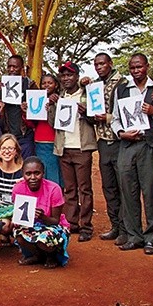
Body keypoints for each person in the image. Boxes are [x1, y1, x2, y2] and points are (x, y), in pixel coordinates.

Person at [111, 53, 153, 255]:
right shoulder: (122, 89)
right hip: (126, 145)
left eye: (139, 67)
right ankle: (134, 236)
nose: (136, 71)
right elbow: (115, 118)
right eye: (132, 68)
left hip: (148, 144)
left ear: (147, 66)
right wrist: (122, 133)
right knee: (128, 190)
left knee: (152, 190)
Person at [48, 61, 97, 242]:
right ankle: (71, 223)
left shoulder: (87, 94)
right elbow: (53, 123)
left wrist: (86, 113)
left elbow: (96, 118)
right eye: (63, 75)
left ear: (77, 76)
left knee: (84, 188)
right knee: (69, 189)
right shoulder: (59, 96)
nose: (66, 78)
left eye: (69, 75)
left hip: (82, 147)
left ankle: (86, 226)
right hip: (64, 147)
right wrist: (51, 105)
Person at [91, 53, 127, 245]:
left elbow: (129, 112)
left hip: (120, 140)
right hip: (103, 141)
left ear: (110, 64)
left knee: (124, 186)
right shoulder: (94, 86)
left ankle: (126, 227)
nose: (99, 67)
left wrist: (106, 118)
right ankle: (115, 225)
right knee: (109, 186)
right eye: (96, 64)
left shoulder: (122, 83)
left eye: (102, 63)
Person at [12, 157, 70, 268]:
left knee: (43, 239)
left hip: (52, 225)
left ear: (43, 173)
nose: (33, 177)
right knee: (19, 236)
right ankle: (37, 256)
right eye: (28, 174)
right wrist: (16, 222)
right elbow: (18, 215)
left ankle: (51, 255)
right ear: (23, 174)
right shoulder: (18, 189)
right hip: (31, 225)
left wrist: (42, 217)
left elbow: (56, 221)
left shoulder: (54, 189)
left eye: (37, 173)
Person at [0, 134, 23, 244]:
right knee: (5, 226)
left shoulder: (24, 171)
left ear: (16, 151)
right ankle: (5, 234)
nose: (7, 151)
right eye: (3, 148)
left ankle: (21, 239)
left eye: (10, 148)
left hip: (18, 210)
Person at [29, 74, 63, 186]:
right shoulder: (36, 100)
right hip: (39, 142)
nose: (46, 85)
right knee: (41, 172)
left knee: (54, 173)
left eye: (50, 83)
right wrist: (25, 111)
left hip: (54, 142)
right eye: (44, 83)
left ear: (56, 85)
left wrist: (53, 106)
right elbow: (32, 124)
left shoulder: (61, 99)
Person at [1, 55, 37, 159]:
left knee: (27, 166)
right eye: (9, 66)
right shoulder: (2, 85)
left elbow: (40, 107)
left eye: (15, 67)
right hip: (8, 135)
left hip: (25, 135)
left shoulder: (30, 84)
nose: (11, 69)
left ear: (22, 68)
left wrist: (27, 109)